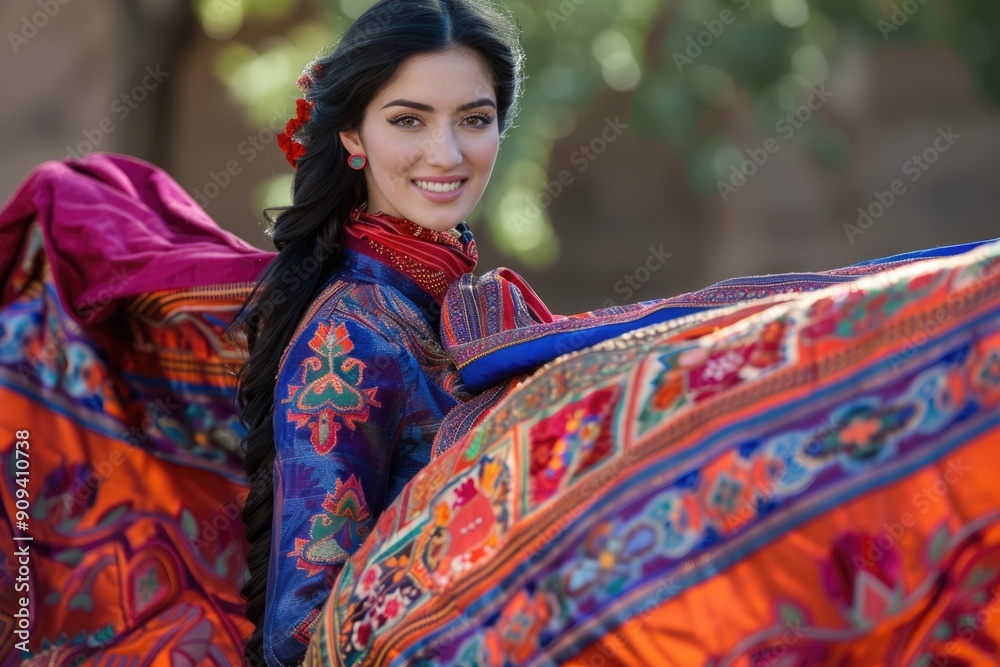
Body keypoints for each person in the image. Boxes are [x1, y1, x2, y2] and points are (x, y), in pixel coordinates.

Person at [227, 1, 525, 663]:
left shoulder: (444, 310)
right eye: (408, 120)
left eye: (473, 119)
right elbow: (301, 631)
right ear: (353, 138)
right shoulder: (352, 338)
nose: (445, 153)